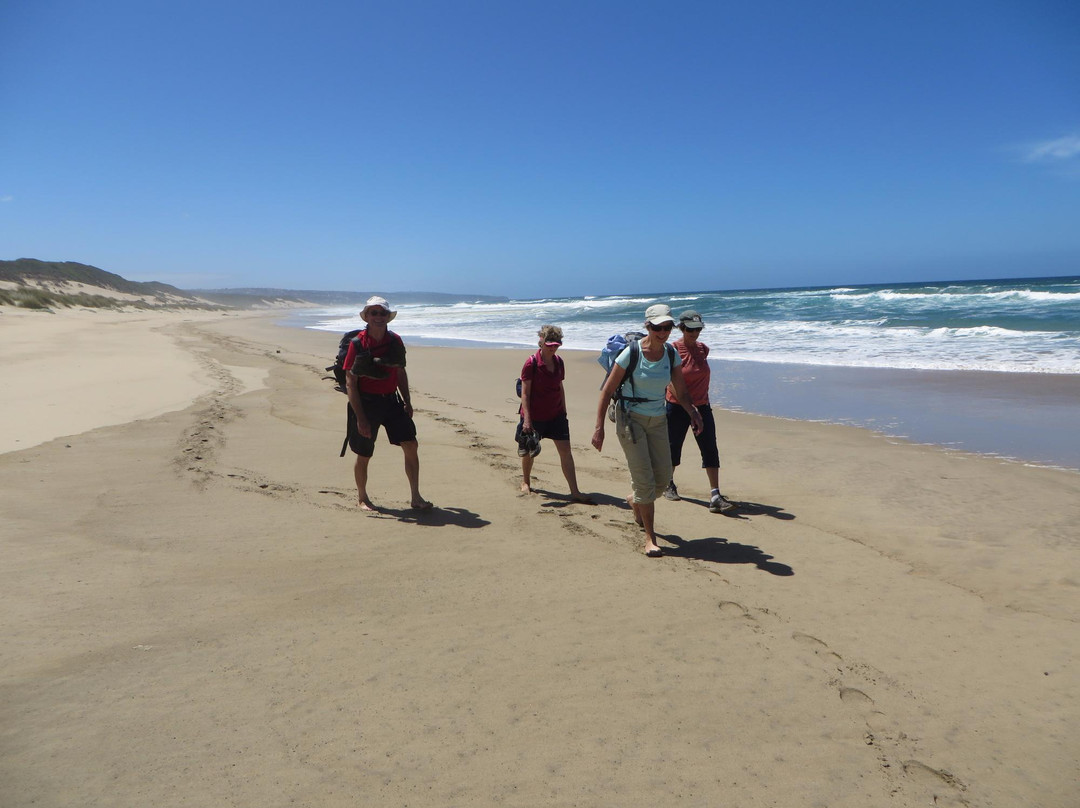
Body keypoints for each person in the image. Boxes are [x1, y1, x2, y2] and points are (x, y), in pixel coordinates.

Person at [592, 304, 703, 557]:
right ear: (647, 327)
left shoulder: (671, 354)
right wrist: (599, 428)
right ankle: (650, 539)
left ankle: (635, 501)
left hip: (658, 418)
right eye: (657, 327)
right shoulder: (631, 354)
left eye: (667, 327)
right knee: (644, 479)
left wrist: (693, 412)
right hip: (630, 419)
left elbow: (680, 390)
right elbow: (607, 391)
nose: (663, 332)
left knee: (663, 480)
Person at [343, 296, 433, 512]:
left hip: (392, 401)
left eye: (382, 313)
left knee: (411, 444)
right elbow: (350, 382)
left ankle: (415, 496)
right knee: (364, 453)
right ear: (367, 316)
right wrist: (361, 418)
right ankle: (363, 498)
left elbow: (400, 371)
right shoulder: (357, 344)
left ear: (388, 317)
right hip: (366, 404)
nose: (378, 317)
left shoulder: (395, 341)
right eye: (374, 313)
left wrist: (407, 401)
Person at [663, 310, 735, 513]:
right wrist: (687, 406)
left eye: (698, 329)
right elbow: (669, 382)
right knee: (673, 447)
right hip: (677, 406)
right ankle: (668, 483)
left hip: (702, 405)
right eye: (690, 329)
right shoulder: (672, 350)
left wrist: (697, 406)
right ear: (682, 328)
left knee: (710, 447)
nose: (694, 333)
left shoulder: (704, 349)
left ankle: (715, 495)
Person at [517, 325, 594, 504]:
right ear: (541, 342)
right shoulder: (531, 363)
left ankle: (575, 491)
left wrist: (564, 411)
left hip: (556, 414)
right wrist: (527, 420)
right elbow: (525, 393)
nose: (553, 348)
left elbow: (560, 387)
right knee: (529, 451)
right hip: (534, 415)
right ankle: (526, 481)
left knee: (566, 452)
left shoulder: (559, 361)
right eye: (549, 344)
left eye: (556, 345)